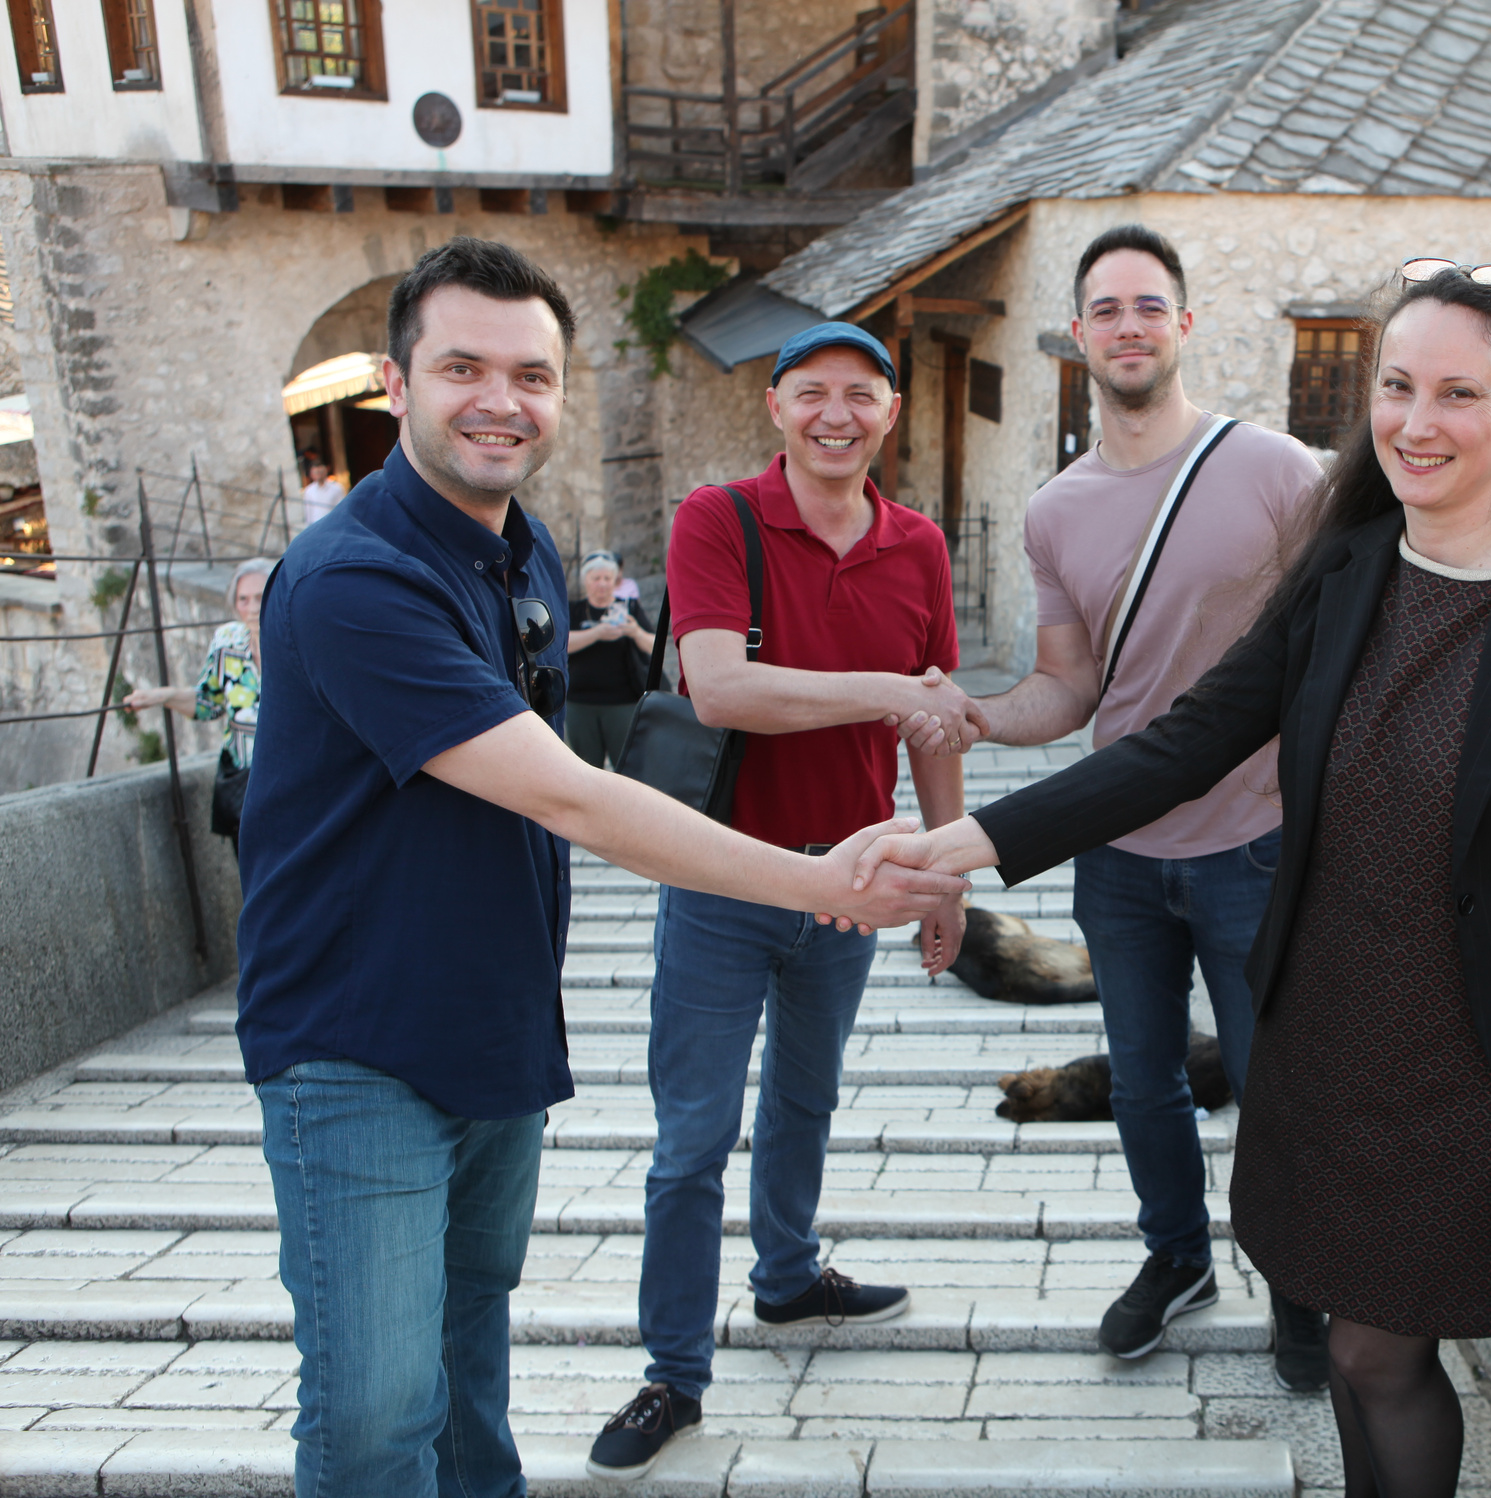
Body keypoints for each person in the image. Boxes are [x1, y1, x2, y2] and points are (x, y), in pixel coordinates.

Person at [852, 263, 1491, 1498]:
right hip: (1329, 1046)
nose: (1416, 422)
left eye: (1460, 392)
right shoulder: (1348, 571)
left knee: (1374, 1345)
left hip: (1478, 1072)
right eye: (1397, 386)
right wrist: (970, 843)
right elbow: (1187, 741)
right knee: (1359, 1347)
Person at [234, 239, 964, 1498]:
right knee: (372, 1415)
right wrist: (826, 884)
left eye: (532, 374)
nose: (501, 399)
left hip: (491, 1022)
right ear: (395, 385)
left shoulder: (517, 547)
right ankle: (667, 1366)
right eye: (462, 366)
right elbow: (575, 792)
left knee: (468, 1368)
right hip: (354, 1040)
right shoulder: (357, 578)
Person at [587, 321, 985, 1481]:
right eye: (812, 393)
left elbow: (939, 722)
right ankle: (672, 1371)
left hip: (855, 879)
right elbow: (718, 687)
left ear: (890, 412)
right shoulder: (721, 517)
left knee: (806, 1098)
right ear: (775, 407)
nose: (836, 415)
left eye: (861, 395)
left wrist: (945, 875)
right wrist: (890, 687)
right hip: (722, 876)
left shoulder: (917, 548)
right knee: (691, 1139)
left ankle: (789, 1278)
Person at [963, 224, 1330, 1387]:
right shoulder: (1054, 512)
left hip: (1253, 843)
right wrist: (976, 714)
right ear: (1079, 335)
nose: (1128, 325)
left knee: (1274, 1082)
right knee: (1143, 1076)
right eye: (1106, 308)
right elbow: (1073, 688)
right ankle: (1176, 1258)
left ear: (1184, 324)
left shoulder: (1281, 473)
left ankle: (1301, 1284)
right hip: (1117, 855)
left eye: (1148, 305)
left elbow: (1335, 650)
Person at [125, 556, 273, 845]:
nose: (253, 607)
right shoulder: (227, 642)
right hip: (247, 785)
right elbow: (208, 703)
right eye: (243, 599)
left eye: (260, 596)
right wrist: (163, 696)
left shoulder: (295, 640)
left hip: (296, 780)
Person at [563, 550, 656, 767]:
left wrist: (634, 632)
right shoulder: (574, 610)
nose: (602, 584)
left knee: (628, 766)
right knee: (585, 768)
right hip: (580, 703)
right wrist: (596, 633)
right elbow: (559, 644)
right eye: (596, 579)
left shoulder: (630, 608)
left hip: (622, 702)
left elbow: (653, 645)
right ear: (586, 581)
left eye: (607, 578)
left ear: (615, 580)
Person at [300, 455, 345, 528]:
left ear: (326, 470)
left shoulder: (336, 488)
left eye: (320, 471)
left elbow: (342, 509)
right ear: (311, 474)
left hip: (333, 526)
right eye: (316, 472)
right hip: (317, 527)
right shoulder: (308, 491)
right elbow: (308, 513)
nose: (318, 474)